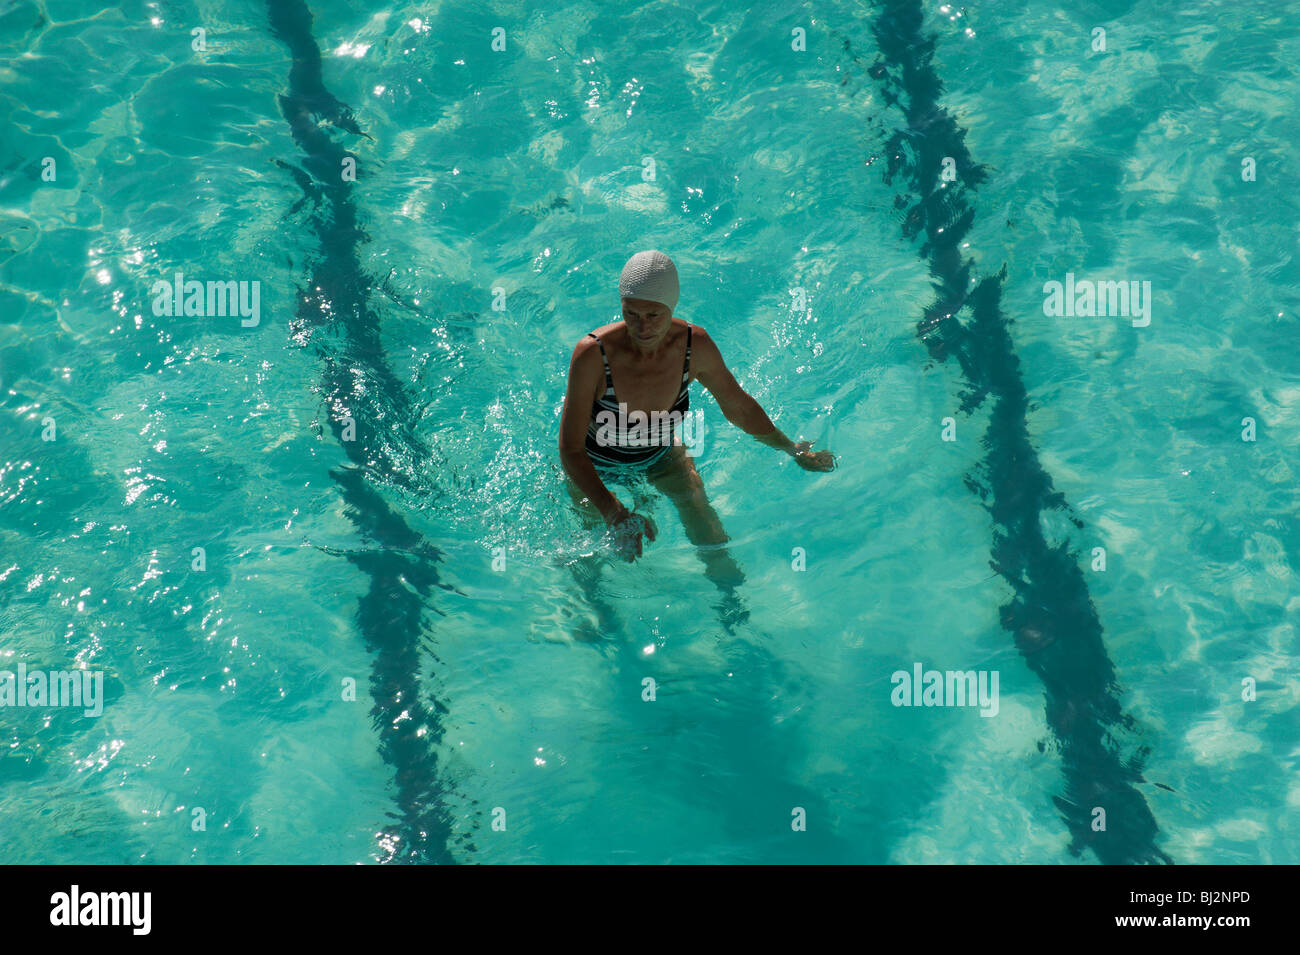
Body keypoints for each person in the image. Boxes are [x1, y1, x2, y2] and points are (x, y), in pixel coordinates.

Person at [558, 250, 834, 575]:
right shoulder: (593, 354)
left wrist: (791, 448)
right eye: (631, 314)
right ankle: (591, 611)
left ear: (671, 307)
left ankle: (730, 598)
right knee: (587, 556)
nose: (642, 327)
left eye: (653, 315)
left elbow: (738, 407)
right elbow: (571, 449)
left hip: (660, 455)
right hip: (596, 465)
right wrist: (613, 510)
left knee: (708, 529)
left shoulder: (694, 346)